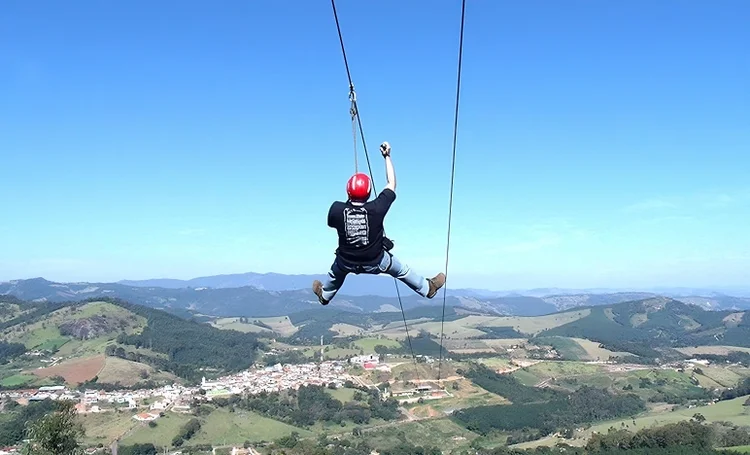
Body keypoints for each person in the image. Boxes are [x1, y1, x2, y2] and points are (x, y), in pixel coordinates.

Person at [312, 141, 446, 305]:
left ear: (348, 190)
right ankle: (428, 288)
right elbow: (392, 184)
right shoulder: (377, 208)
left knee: (335, 273)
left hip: (346, 261)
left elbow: (331, 224)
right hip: (375, 261)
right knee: (402, 270)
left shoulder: (336, 209)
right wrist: (387, 156)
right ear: (368, 192)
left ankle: (325, 296)